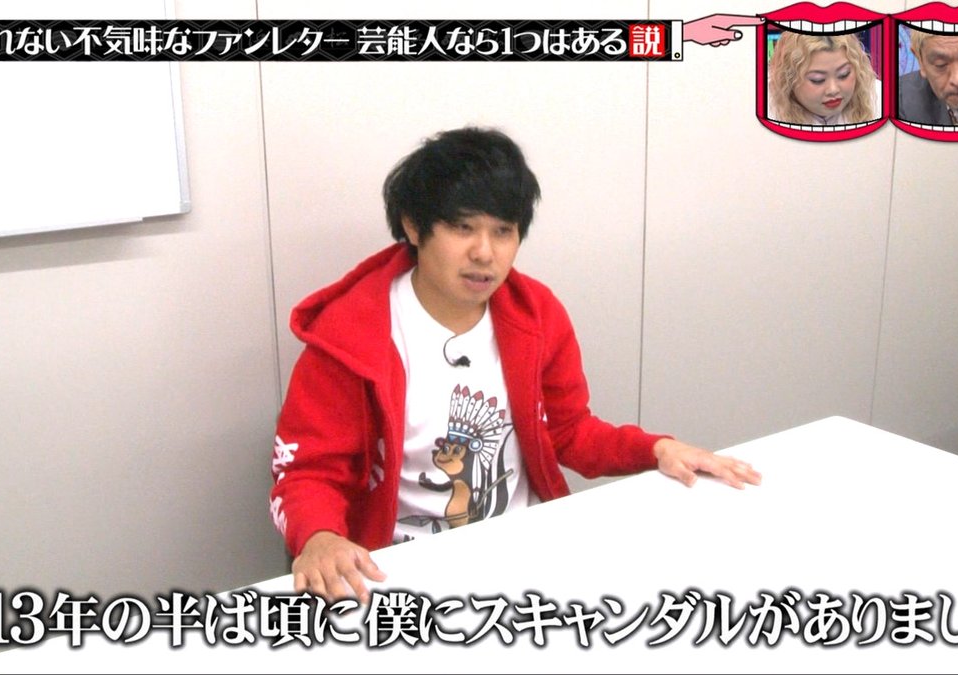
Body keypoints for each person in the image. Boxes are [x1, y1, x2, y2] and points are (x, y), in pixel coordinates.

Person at [270, 127, 762, 602]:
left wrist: (656, 449)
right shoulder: (349, 337)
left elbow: (570, 433)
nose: (484, 253)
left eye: (503, 232)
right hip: (397, 571)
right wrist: (319, 537)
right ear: (414, 226)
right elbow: (308, 474)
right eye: (463, 227)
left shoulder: (536, 315)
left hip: (526, 554)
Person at [768, 31, 880, 125]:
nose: (833, 90)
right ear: (789, 79)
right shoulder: (764, 109)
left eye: (844, 74)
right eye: (818, 80)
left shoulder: (880, 98)